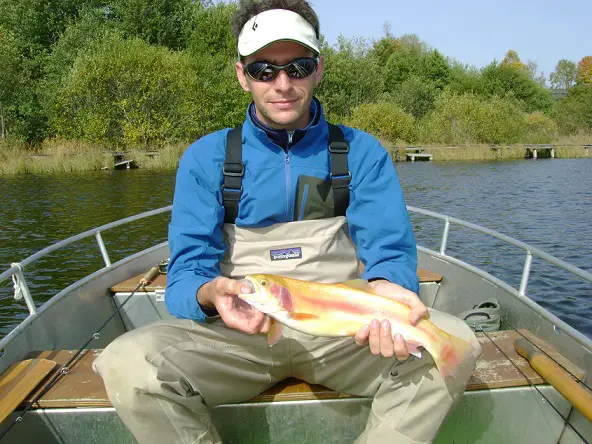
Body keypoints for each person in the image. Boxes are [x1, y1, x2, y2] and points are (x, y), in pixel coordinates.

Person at [93, 1, 482, 443]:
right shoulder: (206, 159)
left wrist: (391, 290)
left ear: (318, 69)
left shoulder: (362, 152)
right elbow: (185, 276)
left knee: (452, 343)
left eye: (297, 67)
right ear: (242, 75)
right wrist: (209, 295)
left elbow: (389, 251)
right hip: (238, 337)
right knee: (127, 364)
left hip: (347, 335)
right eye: (264, 70)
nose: (283, 84)